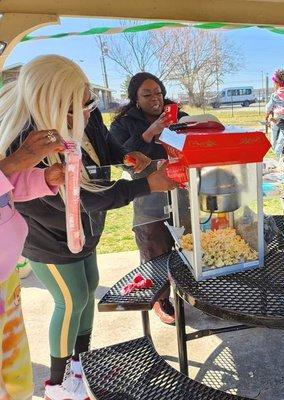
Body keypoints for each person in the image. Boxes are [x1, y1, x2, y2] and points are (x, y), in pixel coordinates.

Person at [4, 55, 177, 400]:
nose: (86, 113)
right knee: (71, 300)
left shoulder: (85, 111)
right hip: (49, 239)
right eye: (75, 108)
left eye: (88, 102)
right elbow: (81, 198)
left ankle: (78, 366)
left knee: (89, 289)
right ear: (48, 104)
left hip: (84, 231)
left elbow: (105, 147)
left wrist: (128, 157)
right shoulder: (29, 141)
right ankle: (57, 382)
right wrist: (146, 186)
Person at [110, 72, 189, 325]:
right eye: (147, 94)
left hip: (182, 191)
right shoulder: (123, 124)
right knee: (153, 244)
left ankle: (189, 290)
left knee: (188, 242)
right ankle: (161, 298)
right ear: (135, 98)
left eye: (158, 92)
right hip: (147, 194)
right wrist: (148, 133)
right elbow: (121, 159)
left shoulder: (178, 115)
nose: (155, 99)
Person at [0, 129, 64, 400]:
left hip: (6, 277)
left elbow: (5, 189)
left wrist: (42, 179)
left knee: (14, 373)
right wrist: (15, 161)